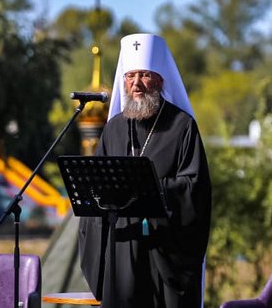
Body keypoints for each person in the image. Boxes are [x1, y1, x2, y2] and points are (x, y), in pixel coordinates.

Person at [78, 33, 212, 308]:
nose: (136, 84)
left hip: (165, 251)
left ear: (160, 80)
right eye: (130, 76)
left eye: (145, 75)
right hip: (122, 246)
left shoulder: (182, 126)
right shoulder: (114, 127)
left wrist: (150, 187)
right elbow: (97, 184)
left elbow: (194, 187)